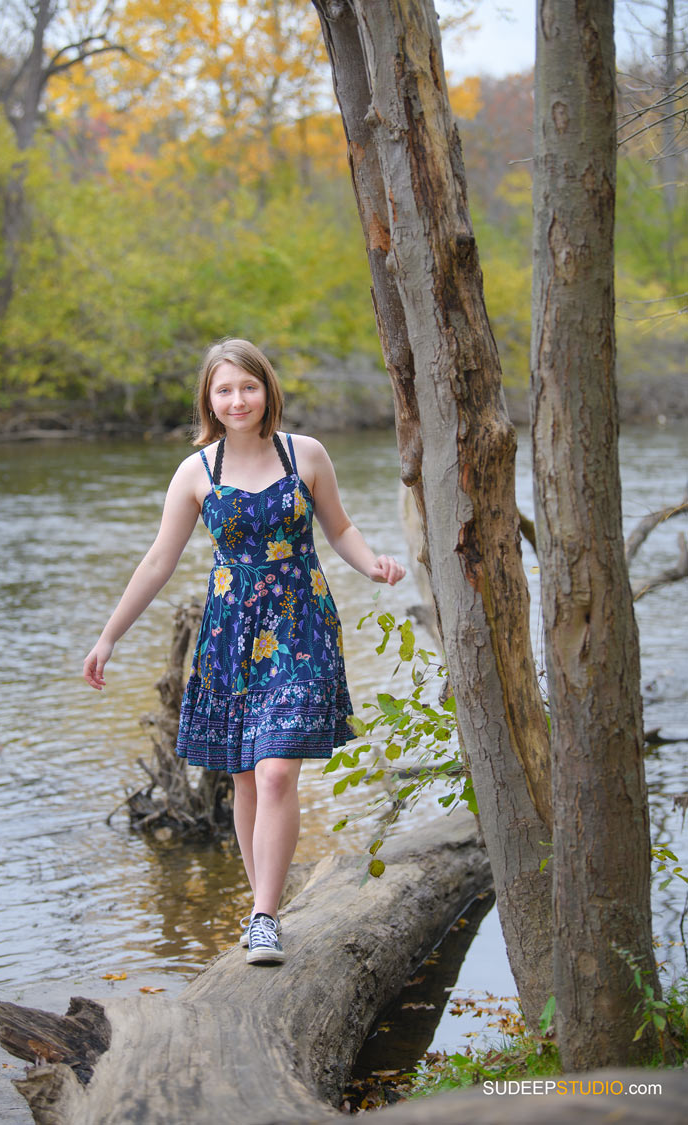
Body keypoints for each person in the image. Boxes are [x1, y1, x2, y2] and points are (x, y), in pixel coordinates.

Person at [83, 338, 406, 965]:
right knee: (246, 777)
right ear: (209, 397)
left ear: (267, 391)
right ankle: (264, 907)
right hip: (232, 635)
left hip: (301, 623)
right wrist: (108, 636)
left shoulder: (304, 454)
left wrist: (372, 565)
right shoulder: (195, 472)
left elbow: (338, 526)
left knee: (278, 768)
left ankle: (262, 915)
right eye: (224, 389)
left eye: (248, 387)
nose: (238, 400)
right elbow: (157, 562)